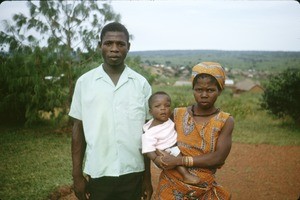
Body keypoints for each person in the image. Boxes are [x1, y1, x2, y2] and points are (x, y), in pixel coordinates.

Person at [69, 22, 153, 200]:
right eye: (108, 43)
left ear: (128, 47)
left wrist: (147, 177)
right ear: (100, 45)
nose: (114, 49)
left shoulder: (141, 84)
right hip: (99, 172)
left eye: (120, 44)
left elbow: (148, 133)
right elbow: (78, 129)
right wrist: (77, 175)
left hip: (134, 172)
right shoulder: (84, 83)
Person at [154, 62, 234, 200]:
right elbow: (158, 139)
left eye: (210, 90)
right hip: (170, 185)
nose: (204, 95)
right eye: (198, 90)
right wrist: (160, 159)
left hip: (202, 187)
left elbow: (218, 157)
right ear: (193, 89)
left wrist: (179, 161)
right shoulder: (177, 114)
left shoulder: (225, 121)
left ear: (220, 90)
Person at [142, 91, 201, 185]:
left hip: (175, 145)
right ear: (150, 111)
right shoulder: (150, 132)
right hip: (164, 153)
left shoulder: (168, 120)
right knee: (175, 154)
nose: (163, 109)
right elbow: (148, 150)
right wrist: (156, 159)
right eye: (157, 106)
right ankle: (186, 175)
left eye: (167, 106)